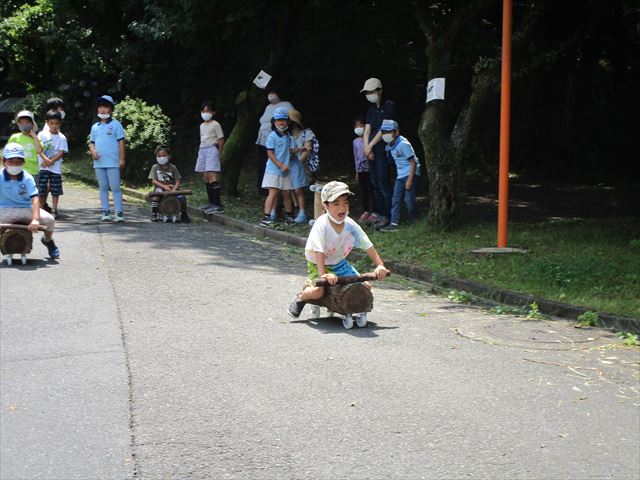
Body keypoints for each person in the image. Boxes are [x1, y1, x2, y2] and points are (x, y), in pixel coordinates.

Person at [287, 181, 388, 322]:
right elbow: (319, 251)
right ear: (325, 206)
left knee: (365, 286)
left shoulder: (350, 224)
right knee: (319, 291)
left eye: (345, 203)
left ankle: (352, 309)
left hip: (339, 262)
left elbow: (367, 244)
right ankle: (302, 296)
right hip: (318, 263)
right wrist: (324, 275)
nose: (342, 208)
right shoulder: (321, 224)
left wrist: (380, 265)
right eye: (336, 204)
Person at [0, 143, 60, 259]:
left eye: (18, 162)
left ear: (23, 162)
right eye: (11, 161)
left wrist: (36, 219)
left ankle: (48, 241)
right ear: (4, 161)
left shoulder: (27, 177)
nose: (15, 165)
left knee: (50, 220)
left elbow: (35, 198)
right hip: (5, 209)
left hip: (26, 208)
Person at [360, 77, 397, 228]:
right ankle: (378, 212)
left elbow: (384, 129)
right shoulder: (370, 109)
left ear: (379, 90)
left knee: (383, 183)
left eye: (372, 91)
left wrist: (370, 146)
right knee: (374, 183)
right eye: (367, 92)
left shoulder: (389, 106)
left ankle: (388, 215)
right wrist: (366, 147)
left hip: (383, 150)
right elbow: (367, 129)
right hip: (371, 150)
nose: (369, 94)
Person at [378, 120, 421, 232]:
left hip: (410, 173)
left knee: (408, 200)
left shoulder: (403, 144)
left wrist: (409, 180)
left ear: (396, 132)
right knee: (396, 199)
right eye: (383, 132)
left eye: (389, 131)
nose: (386, 134)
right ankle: (394, 223)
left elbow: (413, 163)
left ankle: (414, 221)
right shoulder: (389, 145)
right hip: (400, 175)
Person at [89, 95, 126, 222]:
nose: (102, 109)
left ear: (111, 110)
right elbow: (91, 142)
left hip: (113, 162)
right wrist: (93, 151)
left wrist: (122, 159)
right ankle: (105, 212)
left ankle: (119, 213)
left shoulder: (116, 125)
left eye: (106, 107)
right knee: (103, 188)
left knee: (115, 188)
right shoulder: (95, 127)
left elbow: (121, 142)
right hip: (99, 163)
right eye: (100, 107)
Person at [255, 83, 294, 196]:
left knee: (275, 161)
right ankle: (263, 190)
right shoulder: (268, 107)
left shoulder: (286, 105)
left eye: (273, 92)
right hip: (263, 140)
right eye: (269, 93)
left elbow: (290, 120)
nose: (270, 95)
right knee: (263, 164)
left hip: (278, 140)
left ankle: (277, 191)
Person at [260, 107, 293, 227]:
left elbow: (291, 150)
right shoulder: (272, 136)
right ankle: (266, 217)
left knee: (287, 193)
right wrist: (280, 165)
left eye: (283, 120)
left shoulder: (288, 136)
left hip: (285, 170)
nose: (281, 122)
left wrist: (300, 149)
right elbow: (270, 153)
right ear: (274, 121)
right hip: (274, 170)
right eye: (279, 120)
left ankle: (289, 215)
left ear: (287, 121)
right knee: (273, 193)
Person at [37, 110, 68, 219]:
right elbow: (39, 150)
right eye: (52, 123)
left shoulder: (62, 137)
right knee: (41, 189)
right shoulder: (41, 135)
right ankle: (40, 209)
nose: (54, 126)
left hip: (55, 168)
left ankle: (55, 209)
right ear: (47, 122)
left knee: (55, 190)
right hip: (42, 167)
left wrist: (51, 161)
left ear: (60, 123)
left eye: (57, 123)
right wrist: (45, 160)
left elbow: (61, 152)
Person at [195, 101, 225, 214]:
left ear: (213, 112)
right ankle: (211, 202)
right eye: (203, 111)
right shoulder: (202, 125)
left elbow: (221, 139)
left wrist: (219, 153)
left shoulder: (216, 124)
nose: (205, 113)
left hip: (212, 149)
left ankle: (217, 204)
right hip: (203, 149)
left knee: (213, 176)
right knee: (206, 176)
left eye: (208, 111)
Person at [148, 145, 191, 223]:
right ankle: (154, 213)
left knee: (182, 198)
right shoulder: (155, 167)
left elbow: (178, 180)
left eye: (164, 156)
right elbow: (154, 181)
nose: (161, 158)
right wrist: (164, 186)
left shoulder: (173, 168)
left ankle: (184, 213)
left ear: (169, 156)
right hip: (160, 187)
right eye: (159, 156)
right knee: (156, 196)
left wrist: (174, 189)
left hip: (172, 188)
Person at [7, 110, 50, 180]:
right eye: (21, 123)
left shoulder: (36, 138)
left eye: (27, 122)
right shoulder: (14, 137)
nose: (24, 125)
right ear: (18, 124)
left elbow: (39, 151)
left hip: (33, 171)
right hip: (18, 170)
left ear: (32, 124)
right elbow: (7, 154)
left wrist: (35, 137)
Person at [288, 109, 313, 224]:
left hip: (300, 164)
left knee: (298, 189)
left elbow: (307, 150)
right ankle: (291, 211)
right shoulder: (286, 135)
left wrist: (299, 163)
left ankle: (302, 213)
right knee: (287, 190)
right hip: (287, 164)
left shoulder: (306, 133)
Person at [352, 116, 372, 222]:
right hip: (361, 170)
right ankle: (365, 210)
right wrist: (356, 171)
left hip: (369, 169)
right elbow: (356, 157)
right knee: (363, 191)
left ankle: (373, 211)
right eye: (356, 126)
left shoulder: (369, 139)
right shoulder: (355, 141)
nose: (358, 127)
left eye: (360, 125)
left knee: (371, 189)